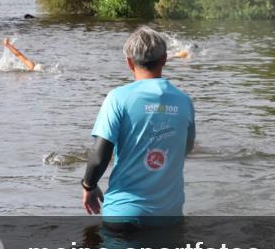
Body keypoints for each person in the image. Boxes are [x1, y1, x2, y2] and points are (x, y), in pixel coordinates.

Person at [81, 27, 196, 228]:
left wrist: (88, 186)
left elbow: (99, 156)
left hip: (124, 215)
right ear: (165, 59)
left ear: (129, 62)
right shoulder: (184, 102)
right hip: (169, 216)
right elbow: (185, 148)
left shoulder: (117, 98)